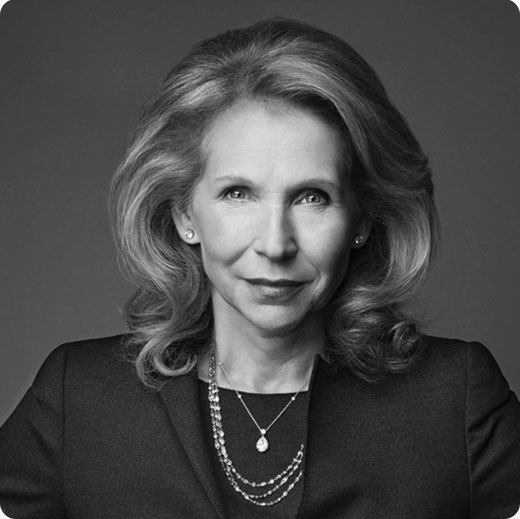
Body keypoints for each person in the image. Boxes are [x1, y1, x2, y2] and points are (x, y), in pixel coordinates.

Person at [0, 17, 519, 519]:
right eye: (238, 193)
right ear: (184, 215)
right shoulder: (79, 398)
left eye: (312, 197)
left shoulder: (456, 400)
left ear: (362, 218)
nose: (275, 244)